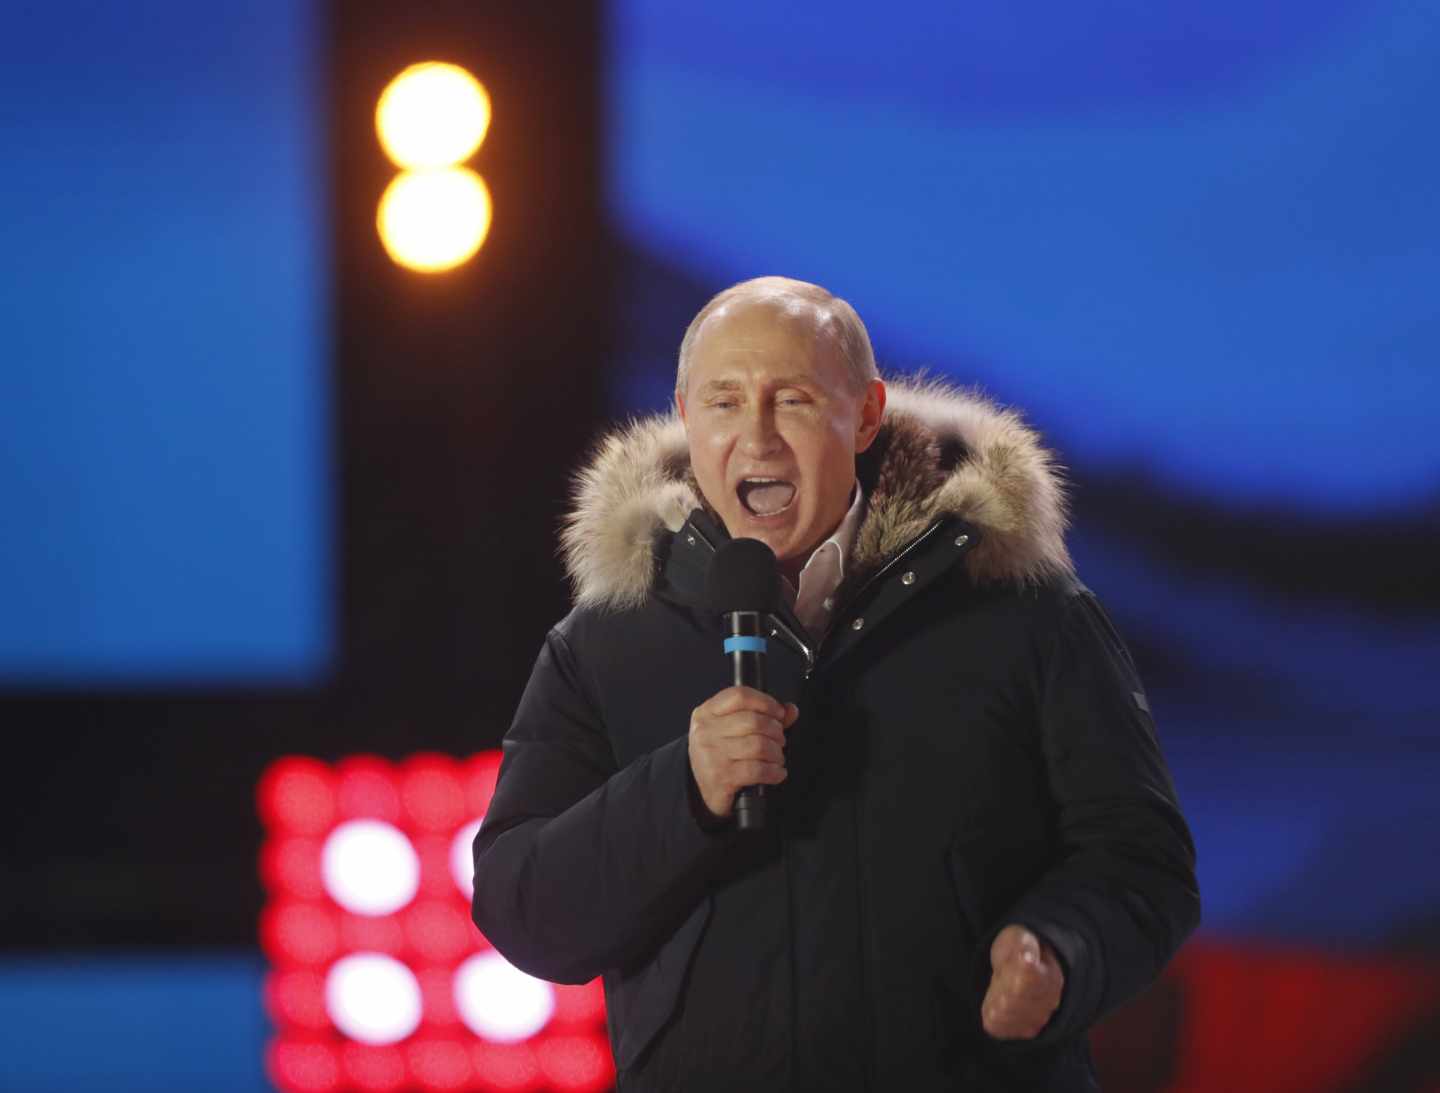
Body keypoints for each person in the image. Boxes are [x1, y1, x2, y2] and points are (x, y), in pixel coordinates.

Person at [472, 276, 1200, 1092]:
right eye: (723, 402)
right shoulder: (603, 642)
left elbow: (1142, 862)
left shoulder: (1028, 611)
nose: (757, 437)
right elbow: (523, 908)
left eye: (792, 399)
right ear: (684, 414)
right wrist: (680, 789)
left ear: (865, 414)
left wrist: (1060, 949)